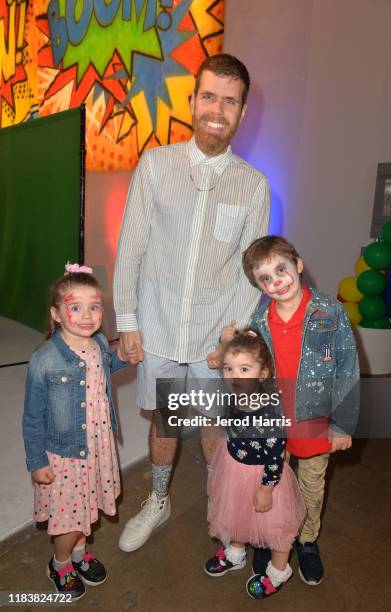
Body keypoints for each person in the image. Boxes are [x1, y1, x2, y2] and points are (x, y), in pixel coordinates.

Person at [113, 53, 270, 553]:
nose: (217, 109)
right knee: (164, 422)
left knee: (211, 427)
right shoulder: (156, 165)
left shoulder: (254, 185)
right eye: (209, 96)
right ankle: (158, 500)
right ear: (193, 100)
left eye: (230, 100)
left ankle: (222, 507)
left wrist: (232, 336)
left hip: (212, 337)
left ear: (242, 111)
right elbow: (131, 245)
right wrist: (129, 320)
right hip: (158, 327)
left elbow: (251, 273)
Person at [237, 235, 360, 587]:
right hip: (273, 422)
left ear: (298, 264)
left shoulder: (329, 311)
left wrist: (342, 423)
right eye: (265, 278)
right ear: (258, 285)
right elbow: (250, 367)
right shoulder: (259, 318)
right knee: (272, 482)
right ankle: (271, 537)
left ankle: (306, 541)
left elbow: (347, 368)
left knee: (310, 486)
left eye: (281, 269)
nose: (275, 281)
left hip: (315, 422)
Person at [22, 264, 127, 600]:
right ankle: (61, 561)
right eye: (75, 307)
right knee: (69, 518)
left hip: (96, 445)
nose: (87, 315)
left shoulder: (96, 341)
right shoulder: (45, 360)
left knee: (86, 506)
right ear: (56, 313)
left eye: (94, 307)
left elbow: (105, 367)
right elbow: (32, 416)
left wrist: (122, 356)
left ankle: (80, 554)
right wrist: (37, 460)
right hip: (65, 454)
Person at [204, 330, 306, 600]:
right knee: (237, 513)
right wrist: (224, 343)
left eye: (244, 369)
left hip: (264, 477)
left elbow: (275, 453)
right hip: (234, 469)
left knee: (275, 527)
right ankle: (235, 553)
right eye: (229, 368)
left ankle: (278, 572)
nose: (234, 375)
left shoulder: (270, 410)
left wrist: (266, 487)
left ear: (262, 374)